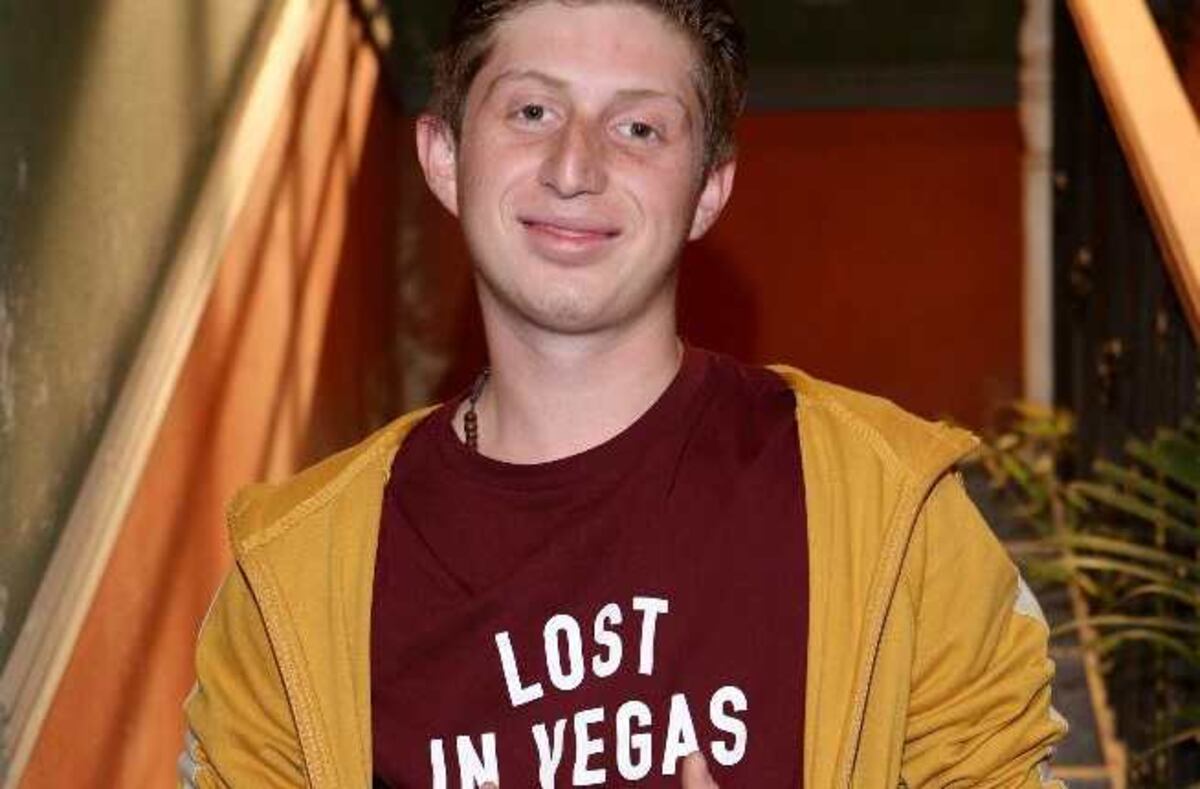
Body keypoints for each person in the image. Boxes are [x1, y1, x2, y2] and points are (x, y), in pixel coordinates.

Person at [180, 1, 1069, 786]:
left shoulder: (892, 508)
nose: (575, 166)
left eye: (639, 128)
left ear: (708, 190)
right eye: (532, 111)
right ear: (445, 157)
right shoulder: (291, 582)